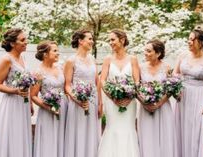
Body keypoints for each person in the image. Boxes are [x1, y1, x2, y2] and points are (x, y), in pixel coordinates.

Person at [173, 29, 203, 157]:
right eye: (188, 39)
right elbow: (175, 75)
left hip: (201, 99)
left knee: (198, 132)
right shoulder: (183, 56)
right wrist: (175, 91)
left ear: (201, 42)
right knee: (183, 131)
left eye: (192, 39)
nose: (189, 42)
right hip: (183, 99)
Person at [98, 29, 140, 157]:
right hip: (112, 102)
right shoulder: (107, 59)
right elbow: (102, 80)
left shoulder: (133, 59)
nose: (110, 42)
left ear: (122, 40)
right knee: (112, 128)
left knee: (128, 129)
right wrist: (113, 97)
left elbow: (137, 81)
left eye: (112, 39)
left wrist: (130, 96)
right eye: (109, 40)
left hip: (129, 103)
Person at [0, 28, 32, 157]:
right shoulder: (6, 59)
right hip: (11, 104)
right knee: (12, 133)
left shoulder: (23, 58)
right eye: (23, 40)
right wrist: (16, 91)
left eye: (26, 39)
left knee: (21, 134)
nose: (26, 42)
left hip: (23, 104)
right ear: (13, 43)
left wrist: (29, 103)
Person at [64, 29, 102, 157]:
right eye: (89, 39)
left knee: (92, 132)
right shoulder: (71, 61)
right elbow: (67, 85)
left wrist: (100, 103)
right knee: (79, 132)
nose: (92, 41)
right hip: (77, 102)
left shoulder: (92, 59)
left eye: (92, 39)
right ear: (80, 41)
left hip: (93, 101)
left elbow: (97, 81)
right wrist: (77, 99)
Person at [137, 40, 177, 157]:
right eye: (145, 50)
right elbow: (136, 88)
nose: (145, 53)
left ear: (158, 53)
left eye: (149, 51)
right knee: (147, 135)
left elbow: (170, 89)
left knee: (164, 136)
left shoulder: (167, 68)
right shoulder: (140, 67)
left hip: (163, 108)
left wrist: (159, 104)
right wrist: (145, 103)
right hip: (145, 109)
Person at [31, 41, 68, 157]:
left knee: (63, 138)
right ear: (45, 54)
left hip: (64, 108)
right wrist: (48, 107)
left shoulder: (61, 67)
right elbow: (33, 96)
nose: (58, 53)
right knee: (49, 139)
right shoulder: (38, 72)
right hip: (48, 111)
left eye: (58, 50)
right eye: (55, 51)